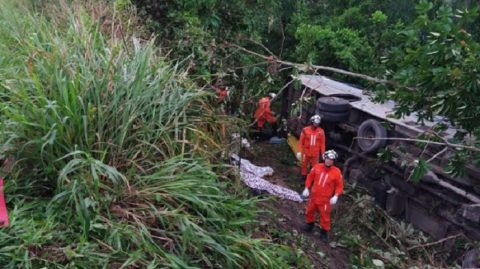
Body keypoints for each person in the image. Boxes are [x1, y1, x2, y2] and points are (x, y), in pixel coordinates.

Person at [301, 150, 344, 243]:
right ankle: (309, 225)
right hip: (313, 196)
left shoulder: (336, 172)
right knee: (309, 211)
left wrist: (336, 195)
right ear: (324, 158)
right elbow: (309, 177)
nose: (329, 161)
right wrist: (306, 188)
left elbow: (340, 186)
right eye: (328, 158)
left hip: (325, 199)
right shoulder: (317, 167)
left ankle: (324, 232)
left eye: (331, 160)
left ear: (334, 161)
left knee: (325, 217)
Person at [296, 115, 325, 181]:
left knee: (315, 167)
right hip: (306, 151)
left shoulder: (321, 131)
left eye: (317, 123)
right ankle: (303, 177)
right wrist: (299, 151)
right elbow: (301, 141)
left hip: (315, 153)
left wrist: (323, 153)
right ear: (312, 122)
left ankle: (312, 179)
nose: (316, 124)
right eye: (315, 123)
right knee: (304, 164)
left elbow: (322, 144)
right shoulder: (305, 130)